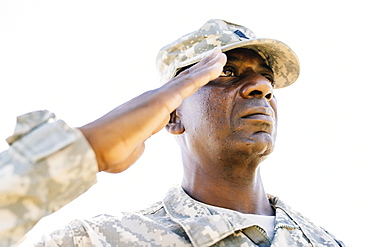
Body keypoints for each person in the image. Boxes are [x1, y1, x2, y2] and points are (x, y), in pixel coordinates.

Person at [0, 19, 345, 246]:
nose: (260, 87)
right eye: (225, 73)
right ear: (172, 114)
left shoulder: (329, 243)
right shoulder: (96, 240)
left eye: (265, 78)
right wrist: (88, 150)